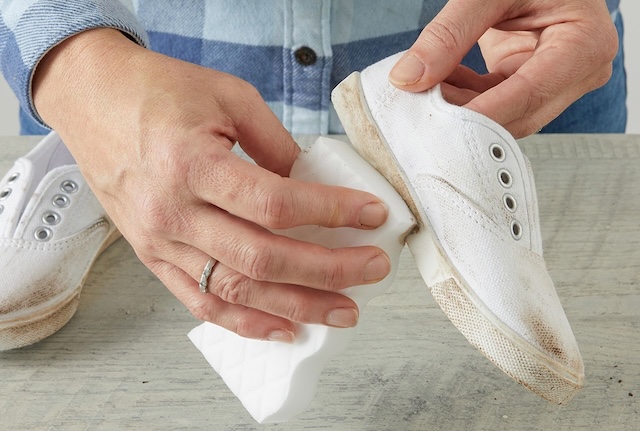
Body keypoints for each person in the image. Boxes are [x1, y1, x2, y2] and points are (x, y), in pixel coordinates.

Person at [0, 0, 624, 344]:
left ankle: (424, 117)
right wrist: (79, 69)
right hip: (140, 74)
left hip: (502, 53)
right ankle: (76, 155)